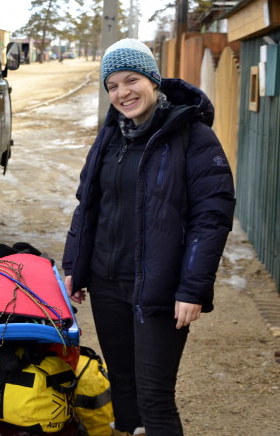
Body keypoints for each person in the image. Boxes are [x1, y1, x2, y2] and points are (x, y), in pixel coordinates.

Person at [61, 39, 236, 436]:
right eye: (113, 86)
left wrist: (192, 288)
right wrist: (74, 267)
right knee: (122, 383)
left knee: (155, 396)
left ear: (153, 80)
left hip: (159, 287)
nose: (123, 93)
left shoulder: (192, 136)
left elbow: (212, 218)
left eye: (131, 80)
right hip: (107, 283)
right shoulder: (111, 136)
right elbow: (87, 206)